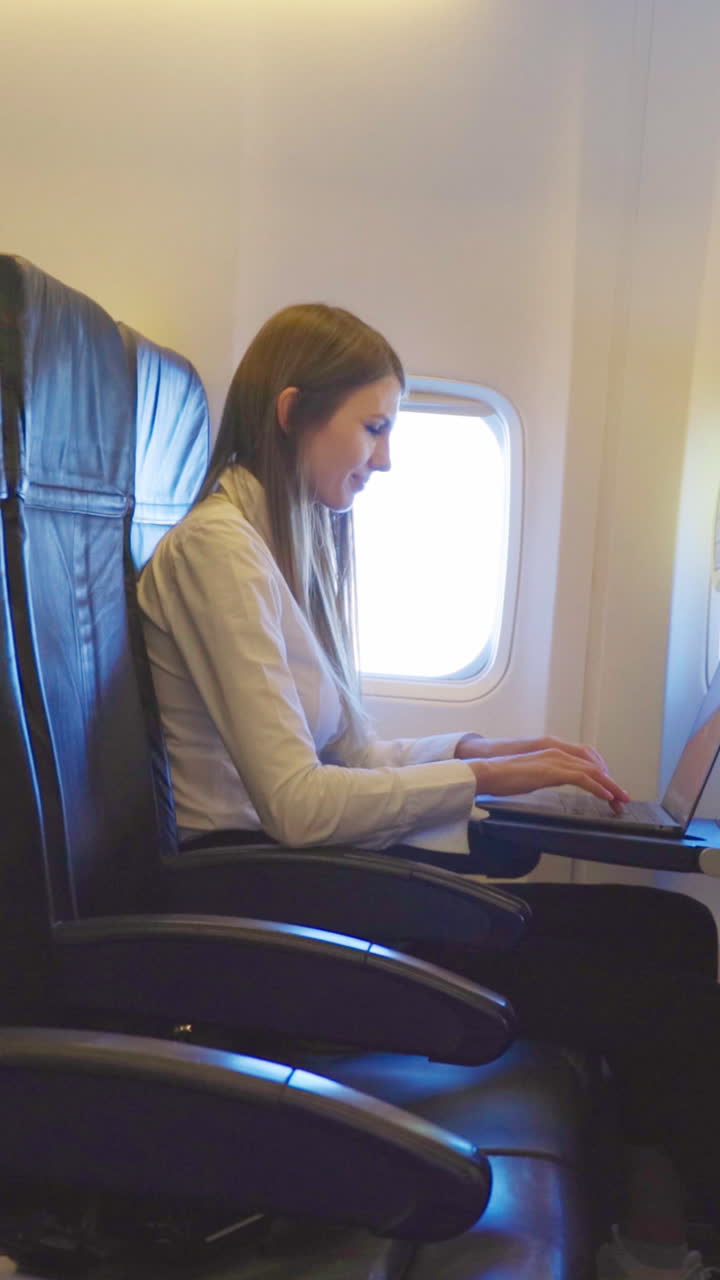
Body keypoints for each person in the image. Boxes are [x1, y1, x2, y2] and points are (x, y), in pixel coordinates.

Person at [138, 303, 720, 1280]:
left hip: (322, 883)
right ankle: (675, 1242)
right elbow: (298, 804)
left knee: (674, 934)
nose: (387, 458)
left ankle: (655, 1233)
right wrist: (484, 778)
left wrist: (483, 743)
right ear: (291, 411)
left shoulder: (283, 544)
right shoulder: (216, 554)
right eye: (373, 427)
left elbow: (348, 752)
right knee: (650, 977)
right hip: (277, 906)